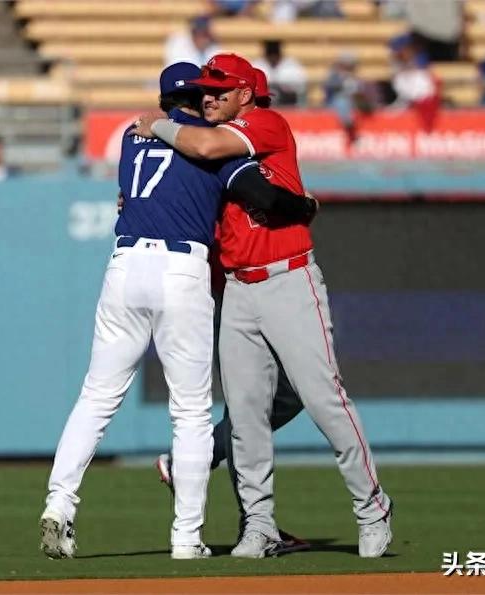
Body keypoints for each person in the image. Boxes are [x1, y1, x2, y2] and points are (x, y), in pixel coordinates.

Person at [38, 62, 317, 562]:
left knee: (96, 397)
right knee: (189, 410)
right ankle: (186, 538)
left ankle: (59, 504)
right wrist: (303, 208)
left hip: (124, 265)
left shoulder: (132, 134)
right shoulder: (211, 141)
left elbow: (142, 181)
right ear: (200, 97)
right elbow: (257, 193)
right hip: (179, 268)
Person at [133, 53, 393, 559]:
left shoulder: (263, 124)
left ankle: (373, 507)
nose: (208, 96)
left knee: (323, 398)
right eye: (205, 89)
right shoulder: (201, 153)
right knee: (246, 415)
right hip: (237, 289)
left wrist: (156, 125)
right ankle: (259, 524)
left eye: (220, 89)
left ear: (246, 93)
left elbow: (206, 143)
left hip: (288, 277)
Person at [323, 51, 383, 142]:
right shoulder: (334, 75)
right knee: (341, 100)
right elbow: (328, 88)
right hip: (335, 103)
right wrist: (342, 81)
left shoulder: (355, 78)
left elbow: (360, 90)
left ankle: (371, 114)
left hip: (354, 103)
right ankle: (349, 127)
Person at [251, 40, 308, 106]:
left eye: (275, 54)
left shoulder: (291, 64)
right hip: (263, 103)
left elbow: (301, 85)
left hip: (288, 103)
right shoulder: (258, 64)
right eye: (270, 55)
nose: (273, 57)